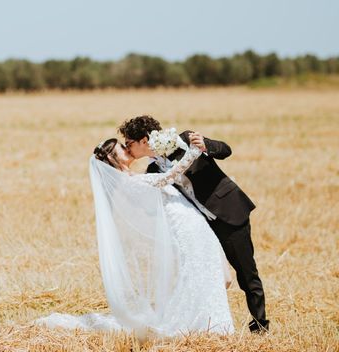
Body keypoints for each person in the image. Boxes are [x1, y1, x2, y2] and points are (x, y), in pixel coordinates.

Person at [36, 134, 234, 339]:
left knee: (210, 271)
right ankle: (205, 322)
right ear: (113, 159)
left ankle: (205, 319)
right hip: (183, 225)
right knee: (200, 270)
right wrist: (193, 152)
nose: (127, 148)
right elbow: (170, 176)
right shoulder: (129, 182)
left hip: (192, 221)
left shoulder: (133, 175)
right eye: (122, 148)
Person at [119, 115, 269, 333]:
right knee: (208, 274)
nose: (127, 147)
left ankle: (260, 326)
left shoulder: (184, 139)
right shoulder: (152, 172)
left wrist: (207, 145)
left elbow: (226, 150)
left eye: (129, 143)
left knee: (246, 273)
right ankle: (209, 320)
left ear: (143, 140)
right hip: (199, 226)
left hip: (229, 213)